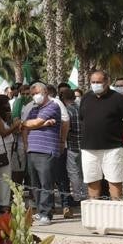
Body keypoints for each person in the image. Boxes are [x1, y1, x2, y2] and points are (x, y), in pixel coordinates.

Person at [78, 70, 123, 199]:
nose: (95, 84)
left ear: (107, 82)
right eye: (93, 82)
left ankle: (116, 208)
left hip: (112, 147)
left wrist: (120, 132)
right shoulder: (86, 98)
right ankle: (94, 208)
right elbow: (82, 118)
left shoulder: (118, 98)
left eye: (98, 82)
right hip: (89, 147)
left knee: (114, 180)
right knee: (92, 180)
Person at [22, 82, 62, 225]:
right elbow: (25, 125)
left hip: (47, 150)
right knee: (35, 184)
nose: (35, 96)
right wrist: (43, 124)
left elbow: (32, 123)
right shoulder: (34, 109)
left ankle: (46, 214)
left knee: (46, 183)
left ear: (45, 92)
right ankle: (40, 211)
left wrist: (35, 123)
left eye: (37, 93)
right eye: (32, 94)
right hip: (32, 150)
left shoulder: (53, 106)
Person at [58, 88, 86, 205]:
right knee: (84, 172)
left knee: (73, 172)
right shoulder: (82, 109)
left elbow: (66, 128)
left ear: (63, 98)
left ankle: (77, 197)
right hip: (84, 146)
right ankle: (85, 195)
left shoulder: (66, 111)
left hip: (72, 146)